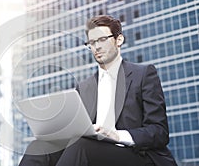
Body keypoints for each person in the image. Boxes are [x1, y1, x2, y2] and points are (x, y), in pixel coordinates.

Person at [19, 15, 177, 166]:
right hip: (91, 149)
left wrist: (117, 135)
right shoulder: (84, 87)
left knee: (81, 146)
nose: (97, 46)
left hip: (135, 154)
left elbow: (159, 131)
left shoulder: (143, 74)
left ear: (119, 40)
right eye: (92, 42)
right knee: (39, 147)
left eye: (102, 39)